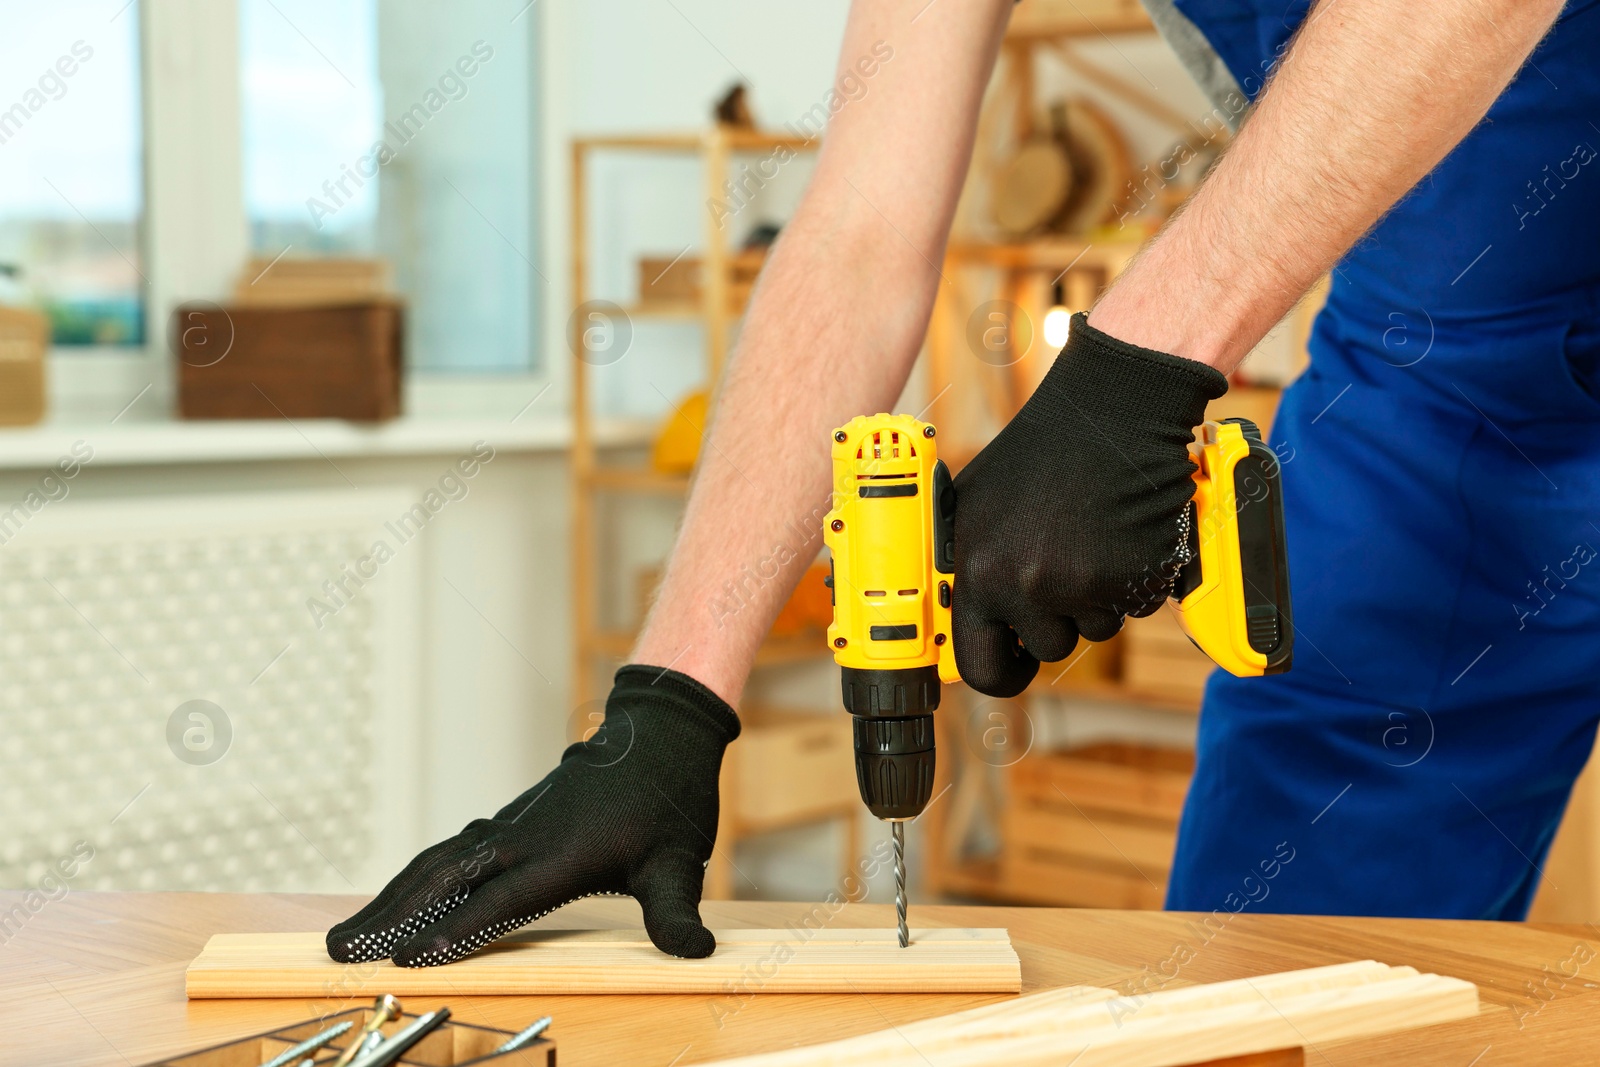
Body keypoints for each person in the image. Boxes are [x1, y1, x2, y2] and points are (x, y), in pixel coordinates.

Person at [327, 0, 1590, 966]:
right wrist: (668, 707)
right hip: (1442, 395)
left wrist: (1131, 371)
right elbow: (862, 230)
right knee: (1265, 983)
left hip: (1456, 358)